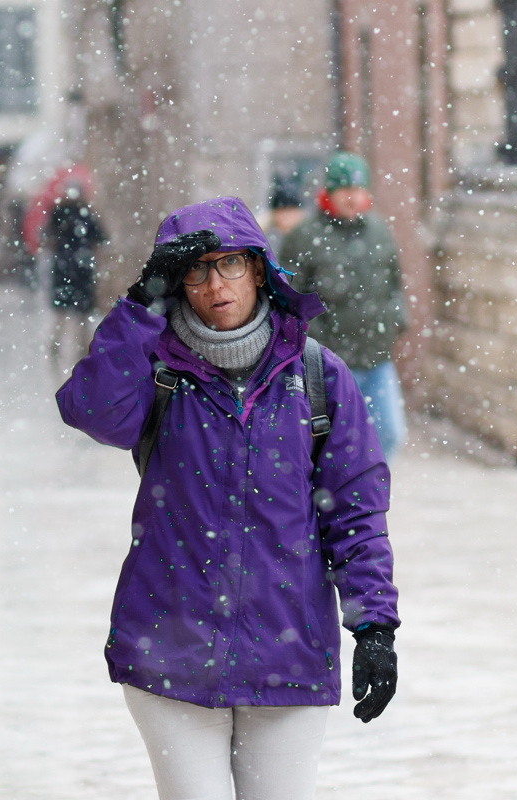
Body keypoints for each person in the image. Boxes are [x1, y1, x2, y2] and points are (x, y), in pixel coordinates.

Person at [56, 197, 399, 800]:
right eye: (196, 270)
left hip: (287, 653)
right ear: (177, 285)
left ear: (260, 269)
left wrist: (374, 626)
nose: (216, 284)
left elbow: (356, 511)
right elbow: (89, 408)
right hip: (171, 653)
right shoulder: (157, 373)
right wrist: (139, 307)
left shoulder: (318, 378)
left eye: (231, 265)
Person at [281, 152, 408, 460]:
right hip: (329, 365)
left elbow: (394, 282)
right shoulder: (305, 236)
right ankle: (330, 500)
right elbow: (288, 298)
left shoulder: (379, 231)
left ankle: (366, 495)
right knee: (331, 443)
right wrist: (317, 339)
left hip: (376, 356)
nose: (353, 198)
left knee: (389, 433)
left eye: (359, 190)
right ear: (329, 193)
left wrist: (397, 319)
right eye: (346, 191)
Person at [41, 178, 107, 370]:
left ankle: (57, 343)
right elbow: (101, 239)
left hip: (65, 266)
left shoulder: (58, 213)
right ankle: (80, 344)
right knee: (80, 310)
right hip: (81, 266)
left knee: (63, 310)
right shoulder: (86, 213)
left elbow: (47, 237)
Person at [263, 173, 306, 252]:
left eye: (290, 210)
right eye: (282, 210)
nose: (286, 216)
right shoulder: (264, 240)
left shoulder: (307, 238)